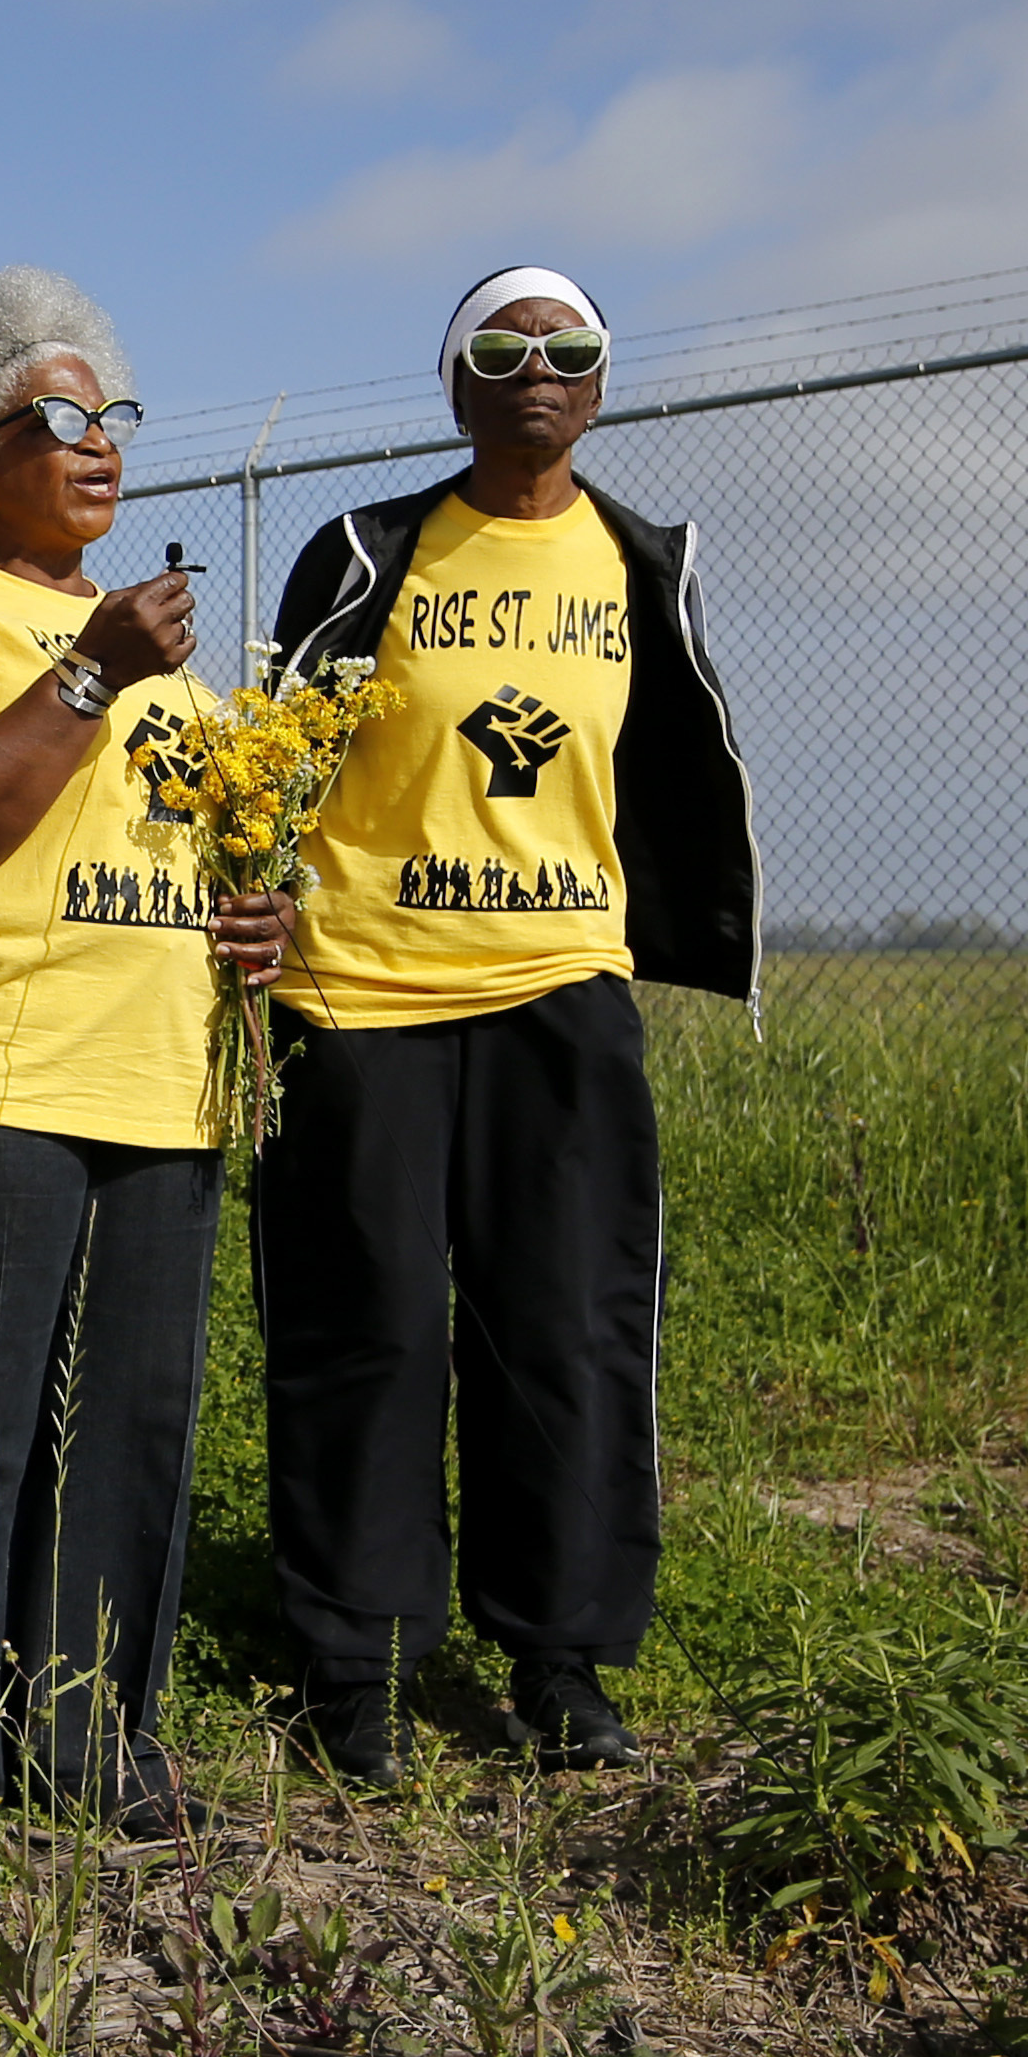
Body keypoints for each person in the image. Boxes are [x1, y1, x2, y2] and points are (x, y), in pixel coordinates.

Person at [255, 264, 757, 1775]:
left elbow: (667, 764)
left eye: (570, 349)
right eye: (502, 347)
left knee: (568, 1330)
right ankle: (356, 1663)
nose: (537, 369)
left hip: (561, 995)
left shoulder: (640, 561)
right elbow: (276, 757)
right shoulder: (365, 554)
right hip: (362, 993)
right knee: (369, 1330)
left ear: (601, 386)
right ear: (454, 381)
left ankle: (563, 1659)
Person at [0, 271, 292, 1837]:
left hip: (161, 1093)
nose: (99, 446)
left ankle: (88, 1742)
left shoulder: (182, 676)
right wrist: (87, 672)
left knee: (126, 1437)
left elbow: (203, 864)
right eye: (59, 419)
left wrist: (255, 926)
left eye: (112, 420)